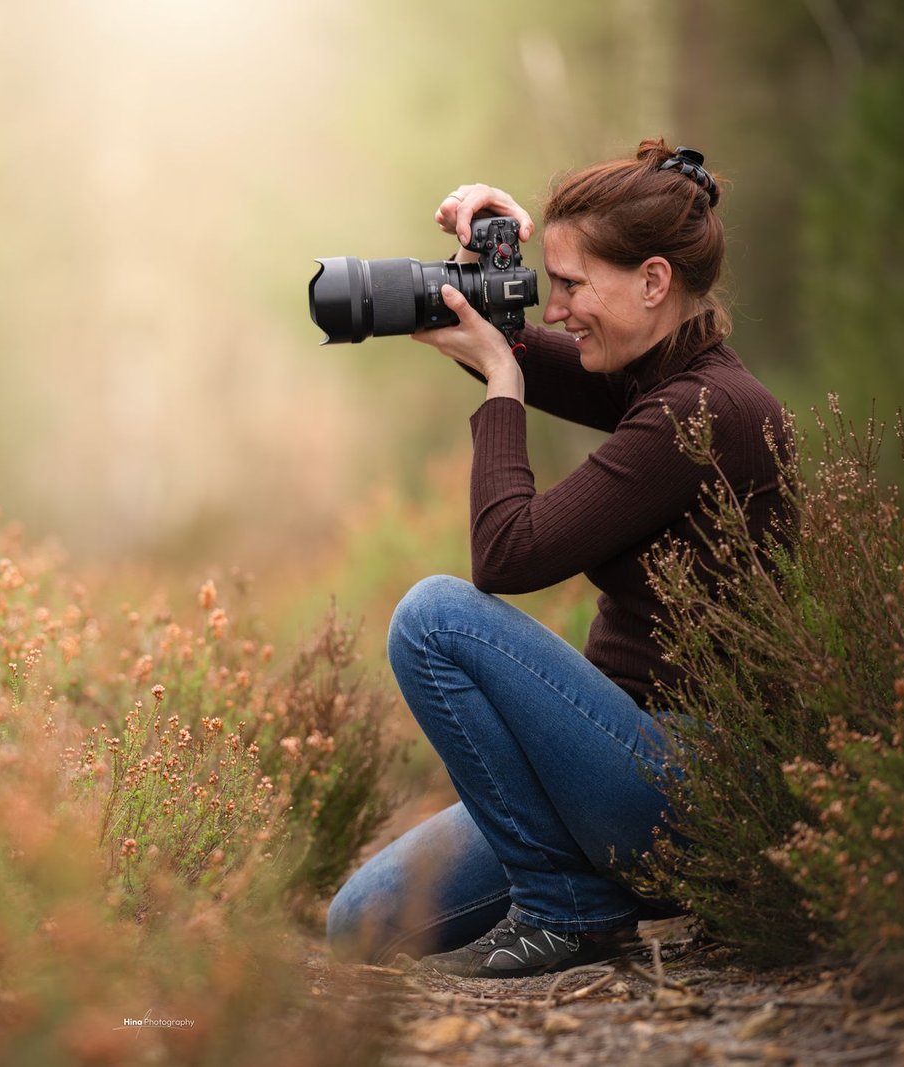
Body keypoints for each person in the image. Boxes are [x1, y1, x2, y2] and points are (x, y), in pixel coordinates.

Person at [325, 139, 790, 978]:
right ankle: (572, 884)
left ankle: (568, 908)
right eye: (547, 281)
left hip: (693, 787)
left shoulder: (708, 414)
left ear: (653, 282)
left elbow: (506, 554)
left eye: (571, 285)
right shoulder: (656, 379)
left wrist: (504, 383)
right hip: (610, 768)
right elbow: (534, 353)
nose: (557, 306)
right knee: (360, 921)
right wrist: (480, 285)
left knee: (434, 617)